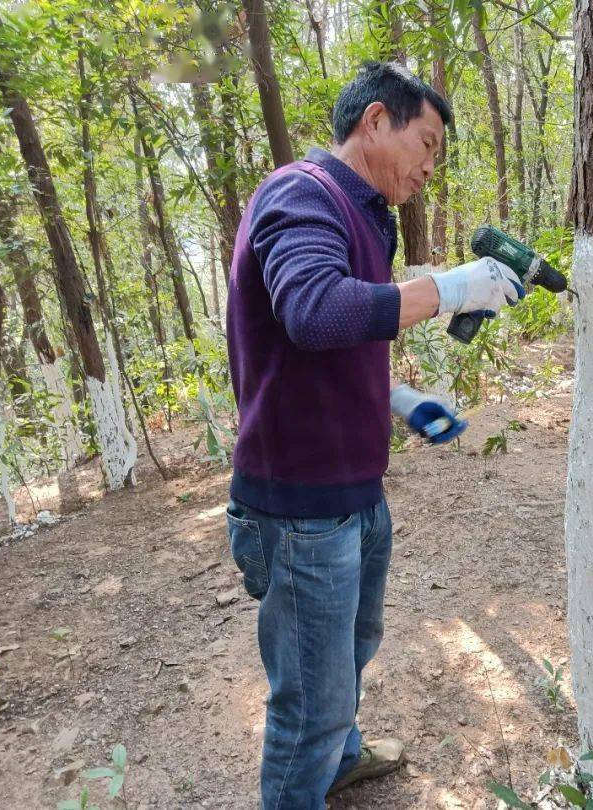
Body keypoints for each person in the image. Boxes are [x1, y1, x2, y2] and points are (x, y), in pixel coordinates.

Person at [225, 61, 525, 809]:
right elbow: (315, 312)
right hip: (300, 504)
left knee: (351, 649)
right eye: (425, 144)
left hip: (352, 488)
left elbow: (321, 346)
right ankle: (307, 776)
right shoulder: (301, 195)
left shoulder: (363, 215)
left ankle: (342, 759)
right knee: (310, 698)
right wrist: (453, 287)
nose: (429, 167)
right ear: (374, 122)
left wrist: (397, 397)